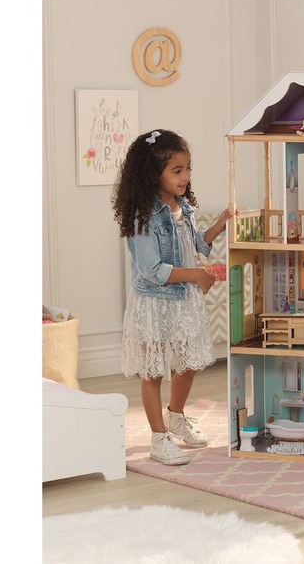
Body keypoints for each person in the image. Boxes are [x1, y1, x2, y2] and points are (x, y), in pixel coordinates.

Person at [111, 129, 233, 465]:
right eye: (177, 170)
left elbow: (196, 246)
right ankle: (158, 438)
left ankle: (175, 415)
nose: (185, 176)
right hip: (154, 302)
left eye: (187, 169)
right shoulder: (143, 215)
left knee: (189, 363)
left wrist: (219, 225)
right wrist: (196, 275)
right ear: (154, 174)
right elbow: (152, 269)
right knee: (153, 371)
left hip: (183, 300)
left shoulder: (184, 207)